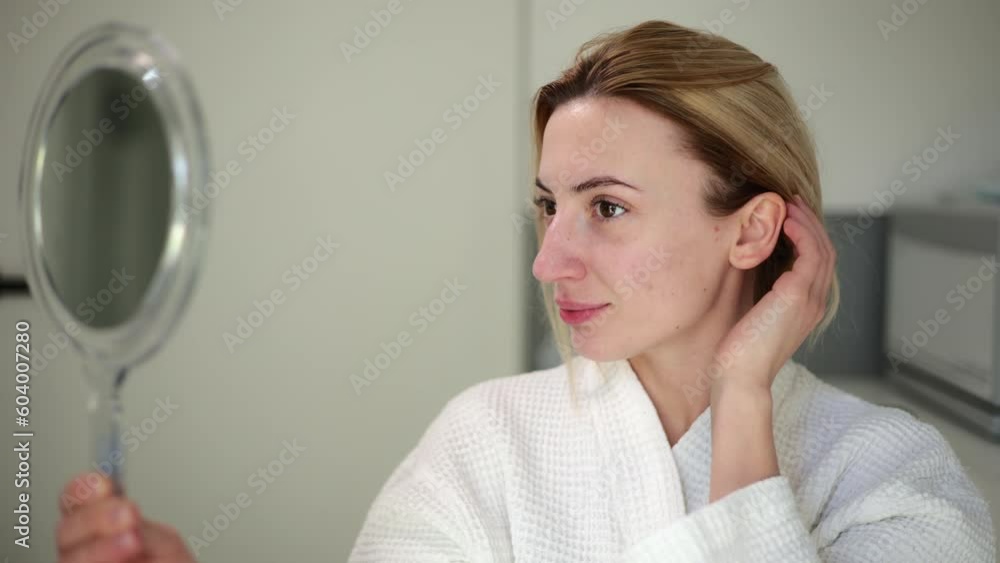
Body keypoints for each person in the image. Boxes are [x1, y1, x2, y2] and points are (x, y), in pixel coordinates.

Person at [55, 19, 996, 563]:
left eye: (608, 208)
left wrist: (742, 395)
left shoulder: (888, 476)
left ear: (750, 229)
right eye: (551, 205)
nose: (549, 259)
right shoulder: (485, 442)